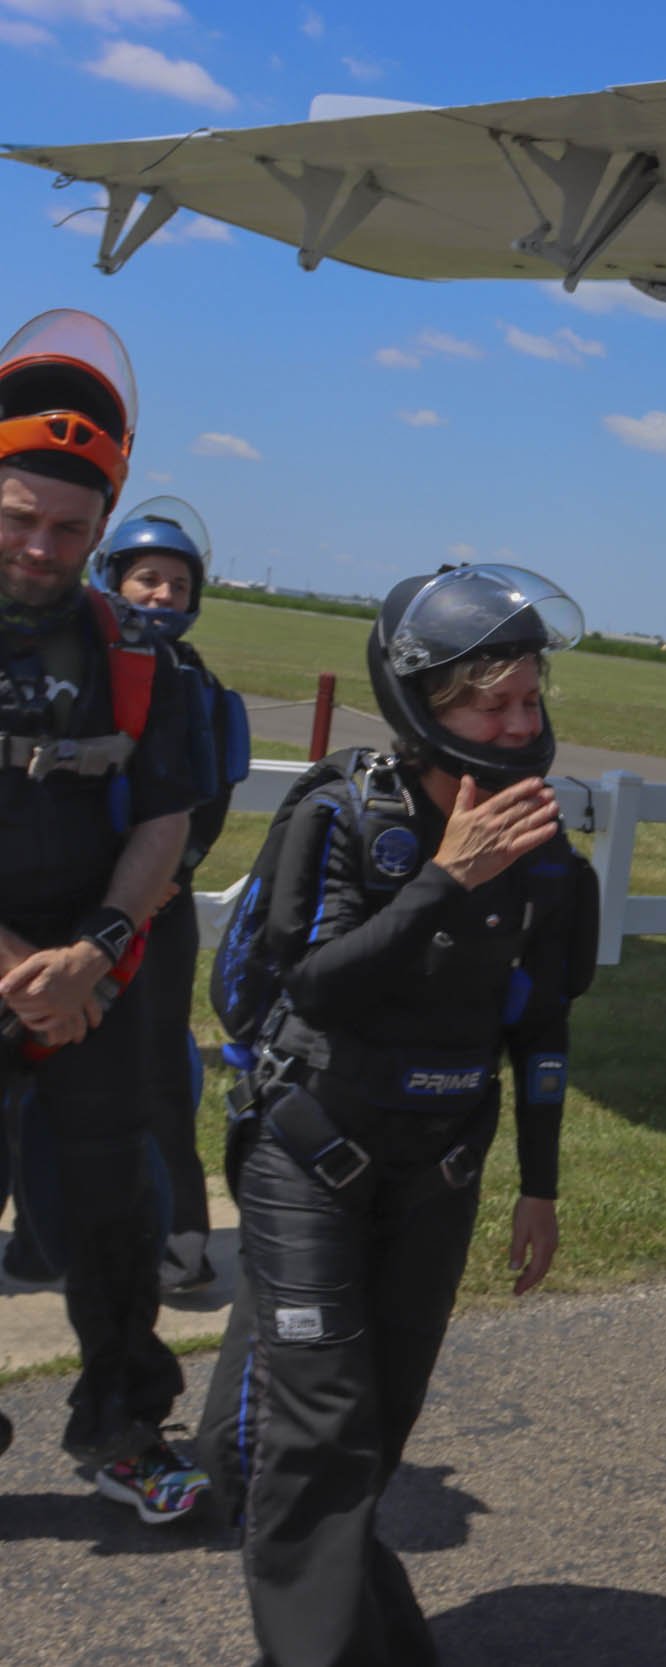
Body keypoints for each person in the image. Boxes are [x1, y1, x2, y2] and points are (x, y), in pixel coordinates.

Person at [196, 563, 599, 1666]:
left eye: (529, 701)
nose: (519, 727)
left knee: (362, 1439)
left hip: (439, 1169)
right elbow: (316, 984)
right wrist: (445, 879)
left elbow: (543, 1026)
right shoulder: (343, 811)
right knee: (320, 1435)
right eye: (490, 704)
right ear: (425, 703)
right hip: (307, 1154)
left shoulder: (547, 852)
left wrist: (542, 1183)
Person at [0, 310, 205, 1510]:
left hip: (94, 974)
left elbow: (164, 818)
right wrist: (24, 963)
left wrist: (98, 953)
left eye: (70, 530)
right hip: (37, 967)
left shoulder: (133, 650)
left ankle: (125, 1426)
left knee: (115, 1211)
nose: (42, 547)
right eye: (19, 518)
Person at [89, 495, 248, 1294]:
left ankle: (182, 1233)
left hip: (159, 908)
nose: (161, 595)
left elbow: (207, 798)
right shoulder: (73, 660)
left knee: (154, 1066)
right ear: (112, 576)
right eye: (147, 578)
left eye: (177, 585)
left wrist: (161, 883)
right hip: (62, 903)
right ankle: (35, 1238)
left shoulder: (196, 683)